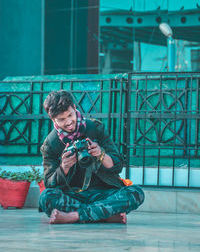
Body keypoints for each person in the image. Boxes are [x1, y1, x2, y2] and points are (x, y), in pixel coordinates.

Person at [39, 90, 144, 224]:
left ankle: (74, 216)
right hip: (74, 195)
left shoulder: (95, 128)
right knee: (46, 198)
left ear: (75, 108)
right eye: (61, 119)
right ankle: (104, 215)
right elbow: (49, 183)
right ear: (52, 119)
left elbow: (117, 166)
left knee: (136, 192)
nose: (69, 122)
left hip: (103, 192)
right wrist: (64, 167)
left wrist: (101, 154)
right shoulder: (51, 144)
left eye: (70, 115)